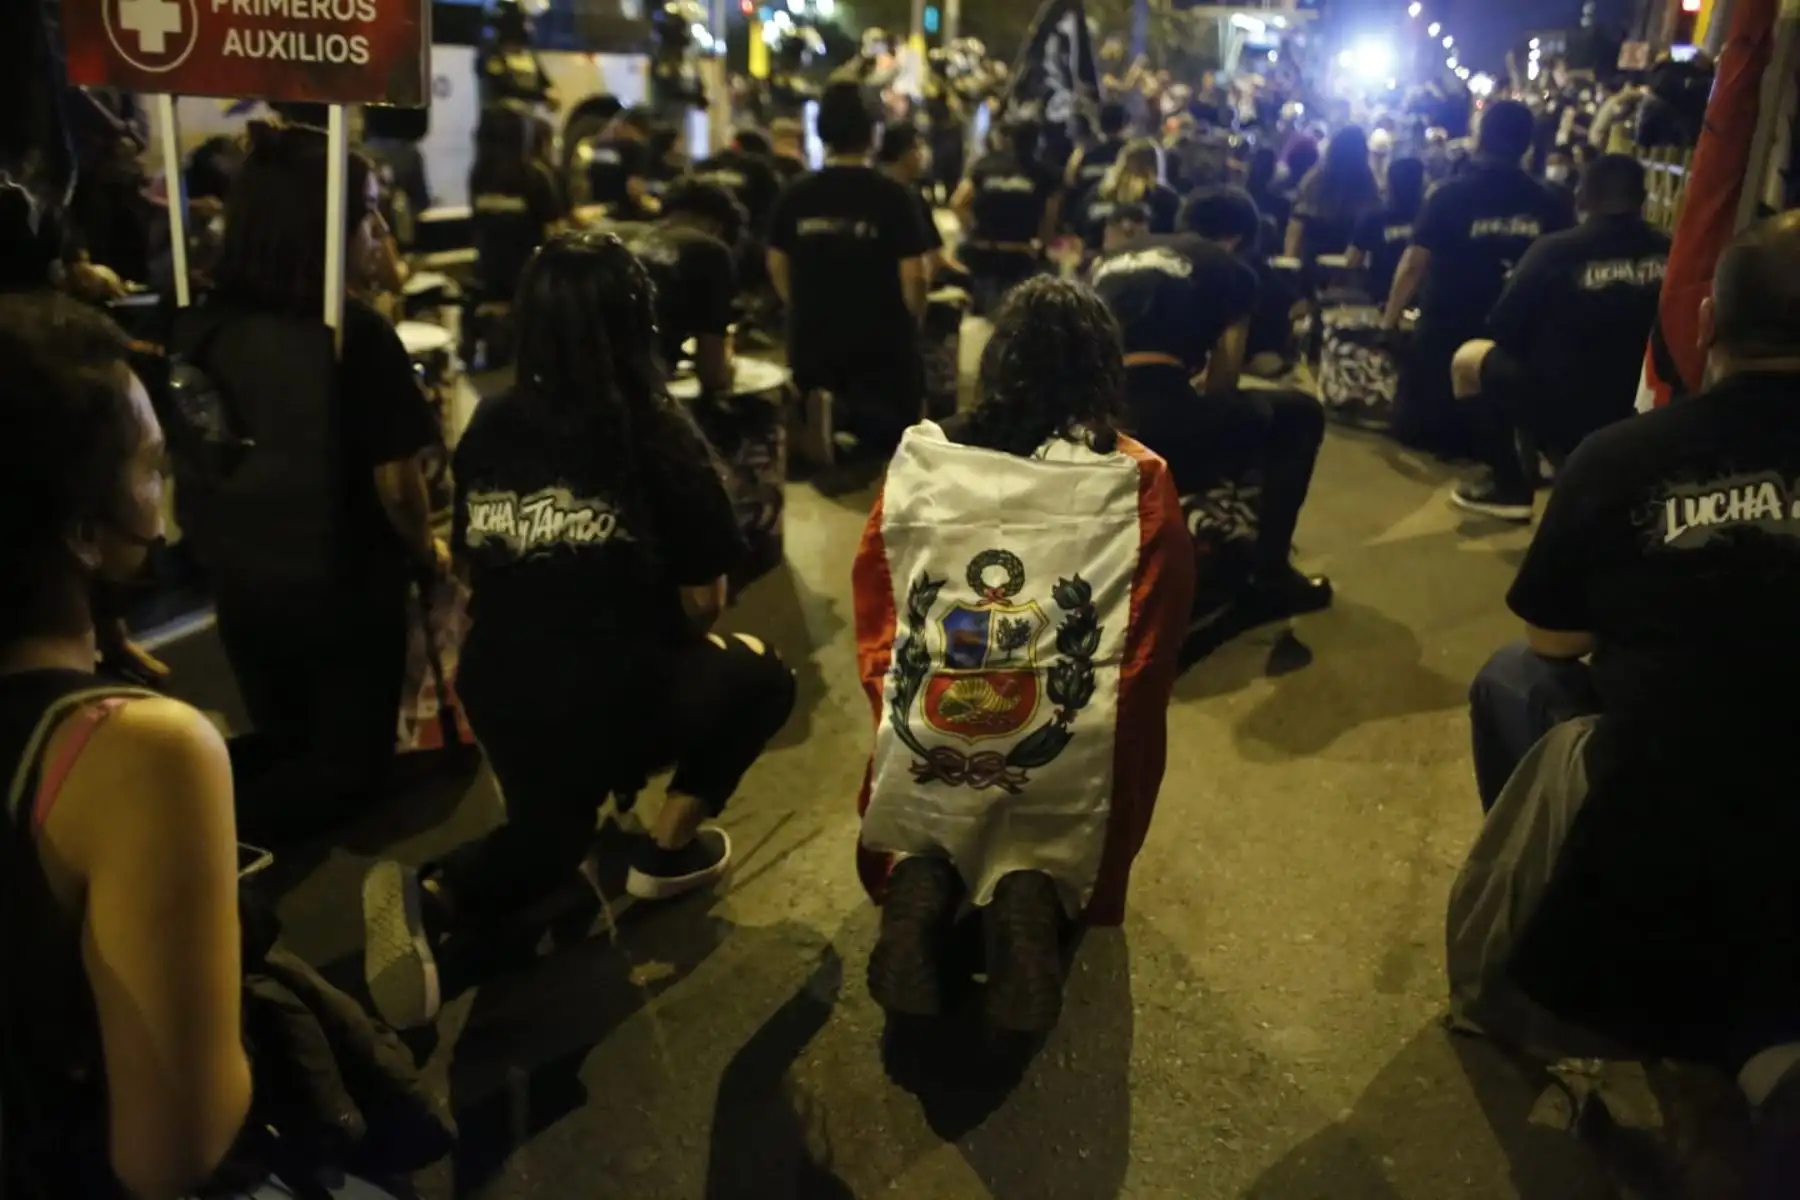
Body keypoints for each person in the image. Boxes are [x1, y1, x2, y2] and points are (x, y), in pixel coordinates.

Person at [362, 234, 796, 1031]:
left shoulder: (490, 421)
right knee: (764, 674)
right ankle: (664, 852)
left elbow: (472, 557)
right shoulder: (658, 431)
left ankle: (436, 894)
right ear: (641, 323)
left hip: (496, 684)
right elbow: (705, 600)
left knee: (552, 844)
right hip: (611, 692)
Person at [1449, 214, 1800, 1191]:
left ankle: (1576, 949)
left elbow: (1553, 642)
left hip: (1678, 817)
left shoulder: (1621, 457)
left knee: (1513, 682)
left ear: (1702, 320)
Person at [853, 278, 1195, 1033]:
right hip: (1067, 733)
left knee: (931, 799)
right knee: (1054, 818)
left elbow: (879, 601)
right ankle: (1033, 893)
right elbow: (1156, 633)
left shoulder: (926, 459)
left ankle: (924, 874)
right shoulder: (1134, 477)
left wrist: (897, 697)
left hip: (932, 725)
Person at [0, 293, 252, 1198]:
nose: (168, 477)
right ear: (81, 531)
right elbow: (171, 1153)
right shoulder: (137, 753)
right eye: (149, 465)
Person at [193, 122, 443, 845]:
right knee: (347, 770)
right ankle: (194, 838)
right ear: (325, 227)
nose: (377, 229)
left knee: (285, 737)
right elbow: (398, 485)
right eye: (367, 211)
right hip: (343, 588)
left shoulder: (208, 321)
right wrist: (428, 555)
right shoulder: (353, 337)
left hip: (243, 578)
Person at [1448, 154, 1670, 520]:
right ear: (1643, 198)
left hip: (1565, 401)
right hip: (1640, 403)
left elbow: (1503, 325)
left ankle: (1509, 485)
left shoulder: (1555, 250)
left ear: (1581, 196)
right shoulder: (1669, 249)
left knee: (1468, 359)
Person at [1384, 100, 1573, 456]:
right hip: (1512, 337)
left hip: (1445, 332)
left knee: (1419, 432)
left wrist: (1390, 320)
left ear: (1479, 137)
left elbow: (1414, 263)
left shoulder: (1447, 194)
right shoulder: (1551, 202)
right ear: (1527, 144)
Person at [767, 81, 933, 478]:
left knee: (821, 381)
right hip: (879, 337)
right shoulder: (893, 196)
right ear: (873, 135)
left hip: (813, 336)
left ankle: (821, 416)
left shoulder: (795, 193)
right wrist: (913, 323)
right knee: (896, 425)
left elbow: (776, 262)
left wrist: (800, 306)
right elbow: (915, 276)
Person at [624, 178, 743, 394]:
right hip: (637, 394)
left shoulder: (632, 239)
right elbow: (712, 374)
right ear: (718, 226)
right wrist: (729, 369)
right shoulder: (711, 251)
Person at [951, 119, 1058, 312]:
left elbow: (957, 203)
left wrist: (973, 232)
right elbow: (1049, 218)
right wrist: (1041, 247)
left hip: (983, 251)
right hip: (1021, 253)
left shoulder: (984, 166)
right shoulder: (1044, 174)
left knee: (981, 318)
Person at [469, 101, 567, 306]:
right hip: (528, 285)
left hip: (488, 281)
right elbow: (556, 235)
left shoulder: (478, 177)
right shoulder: (534, 176)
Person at [1284, 124, 1381, 262]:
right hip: (1349, 263)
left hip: (1311, 260)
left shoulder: (1315, 178)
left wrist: (1290, 261)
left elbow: (1297, 223)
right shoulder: (1368, 182)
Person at [1348, 154, 1425, 305]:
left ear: (1390, 183)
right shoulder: (1431, 215)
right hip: (1422, 296)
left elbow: (1353, 260)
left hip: (1381, 296)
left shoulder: (1373, 217)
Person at [1077, 138, 1178, 253]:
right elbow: (1168, 236)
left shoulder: (1100, 190)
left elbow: (1081, 222)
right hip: (1147, 260)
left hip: (1102, 259)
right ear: (1156, 164)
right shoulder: (1165, 196)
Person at [876, 121, 947, 281]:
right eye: (919, 147)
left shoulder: (870, 191)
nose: (924, 154)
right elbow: (933, 259)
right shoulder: (910, 198)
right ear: (905, 153)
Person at [584, 106, 658, 219]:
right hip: (619, 217)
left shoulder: (597, 146)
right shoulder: (637, 149)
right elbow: (634, 190)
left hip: (592, 212)